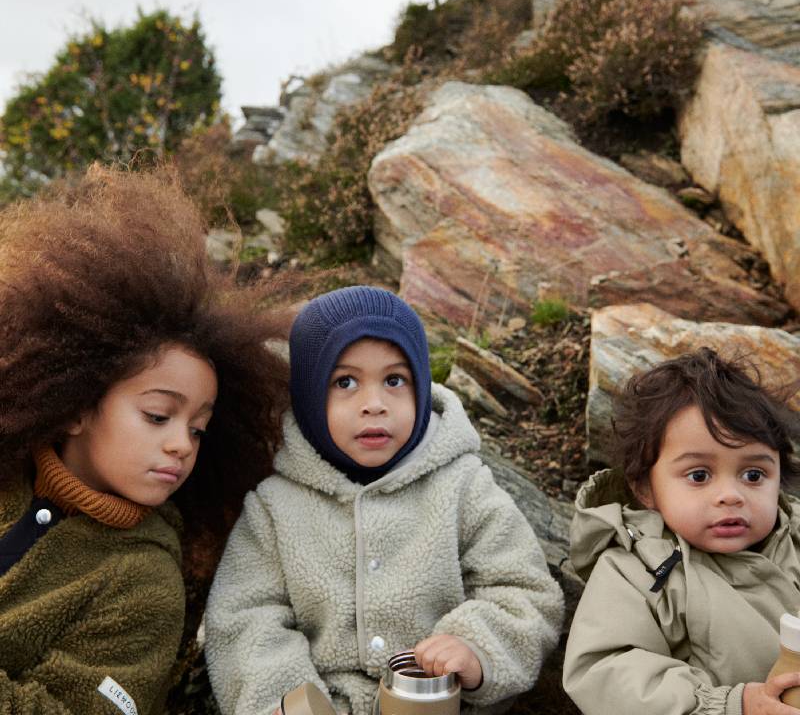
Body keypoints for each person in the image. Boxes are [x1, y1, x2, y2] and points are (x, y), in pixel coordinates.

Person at [0, 165, 289, 714]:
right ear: (76, 407)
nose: (182, 444)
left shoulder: (143, 583)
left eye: (198, 429)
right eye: (158, 415)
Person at [205, 285, 564, 715]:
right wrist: (285, 700)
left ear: (421, 385)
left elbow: (526, 591)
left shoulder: (462, 485)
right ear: (308, 395)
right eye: (345, 382)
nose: (374, 404)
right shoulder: (274, 506)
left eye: (395, 380)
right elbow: (244, 619)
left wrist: (475, 646)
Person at [563, 347, 800, 715]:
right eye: (699, 476)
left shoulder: (794, 541)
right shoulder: (634, 571)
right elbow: (606, 670)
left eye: (753, 475)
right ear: (646, 488)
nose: (730, 495)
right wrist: (729, 705)